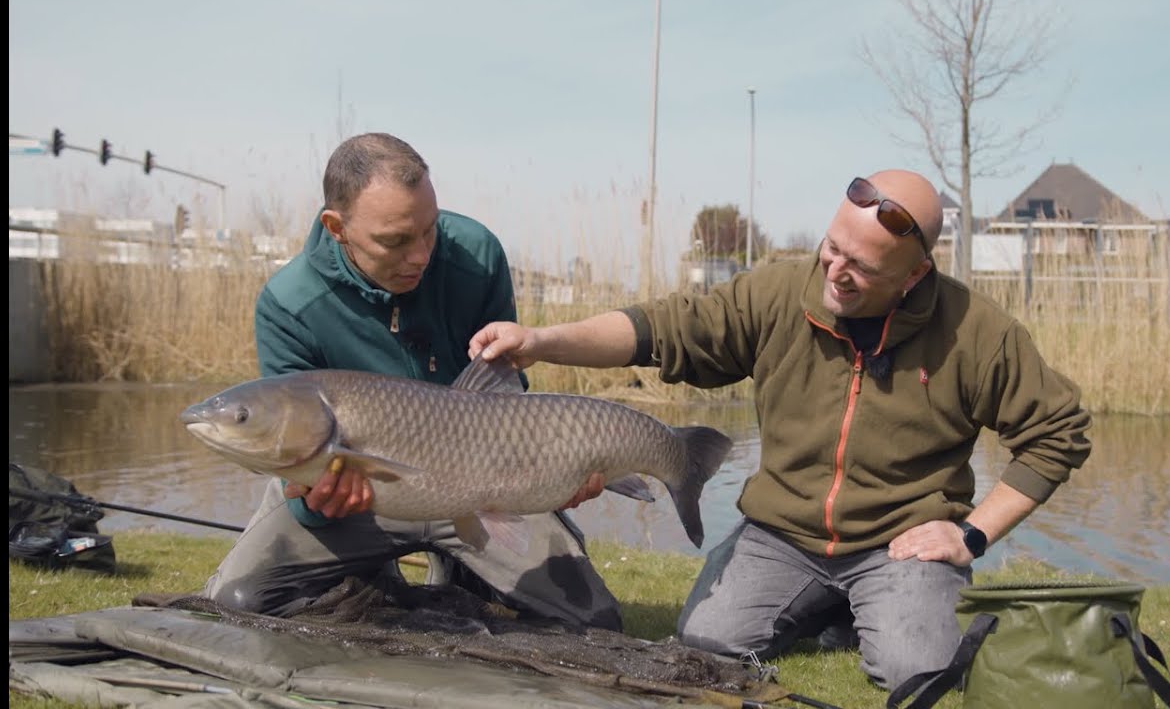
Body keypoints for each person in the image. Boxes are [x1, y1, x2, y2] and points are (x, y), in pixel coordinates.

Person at [468, 169, 1092, 690]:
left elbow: (1058, 432)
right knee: (705, 646)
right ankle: (830, 605)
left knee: (918, 672)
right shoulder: (778, 293)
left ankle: (872, 605)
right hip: (781, 535)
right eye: (832, 247)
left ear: (913, 277)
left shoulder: (977, 332)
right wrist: (543, 342)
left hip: (899, 540)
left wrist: (972, 535)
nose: (834, 269)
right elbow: (663, 329)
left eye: (861, 266)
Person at [202, 132, 622, 631]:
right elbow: (290, 462)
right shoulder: (288, 305)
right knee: (236, 603)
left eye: (429, 230)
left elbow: (506, 394)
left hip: (481, 485)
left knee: (593, 621)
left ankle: (463, 571)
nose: (420, 254)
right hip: (359, 497)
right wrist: (321, 505)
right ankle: (369, 574)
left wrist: (549, 477)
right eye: (396, 241)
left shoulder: (477, 254)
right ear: (337, 228)